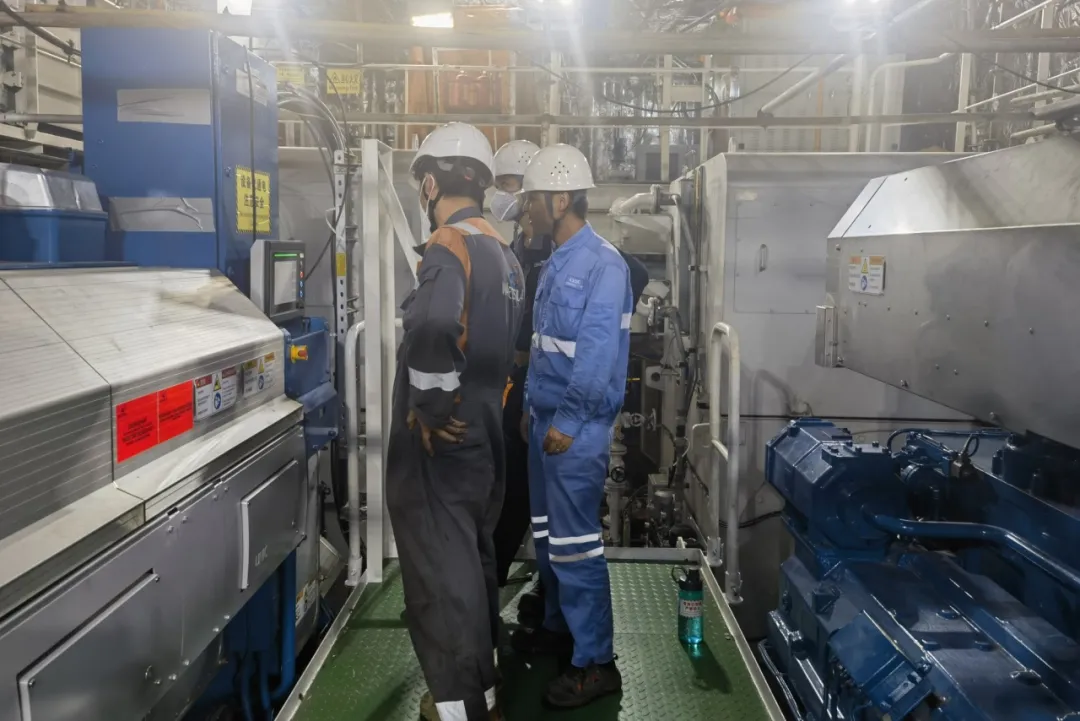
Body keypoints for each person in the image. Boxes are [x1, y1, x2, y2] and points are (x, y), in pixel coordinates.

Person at [386, 122, 524, 721]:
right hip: (487, 430)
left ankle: (460, 708)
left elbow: (435, 325)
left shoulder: (449, 243)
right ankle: (483, 691)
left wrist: (430, 407)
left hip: (446, 436)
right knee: (472, 560)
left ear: (431, 183)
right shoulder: (503, 251)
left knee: (442, 573)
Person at [511, 144, 631, 709]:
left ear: (560, 200)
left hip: (572, 432)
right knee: (549, 540)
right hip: (544, 421)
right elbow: (542, 347)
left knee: (577, 547)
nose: (527, 209)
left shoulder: (604, 264)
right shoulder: (556, 259)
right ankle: (560, 629)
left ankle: (596, 662)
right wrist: (529, 407)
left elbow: (597, 355)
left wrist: (568, 420)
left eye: (533, 199)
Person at [489, 139, 547, 592]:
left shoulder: (555, 249)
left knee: (522, 491)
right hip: (514, 381)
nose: (500, 195)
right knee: (511, 483)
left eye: (507, 185)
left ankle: (498, 575)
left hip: (540, 384)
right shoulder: (518, 245)